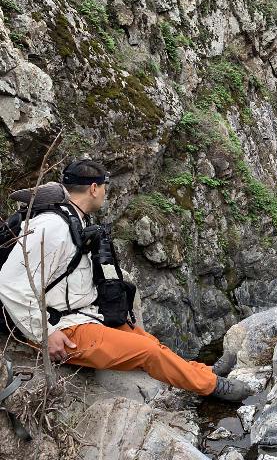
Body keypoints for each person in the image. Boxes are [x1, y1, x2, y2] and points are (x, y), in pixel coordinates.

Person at [0, 159, 249, 401]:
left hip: (79, 315)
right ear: (94, 188)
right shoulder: (52, 226)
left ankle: (202, 372)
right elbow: (8, 282)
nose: (105, 193)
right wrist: (47, 333)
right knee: (148, 352)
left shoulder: (73, 218)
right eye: (104, 187)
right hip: (61, 328)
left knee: (145, 340)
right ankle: (213, 386)